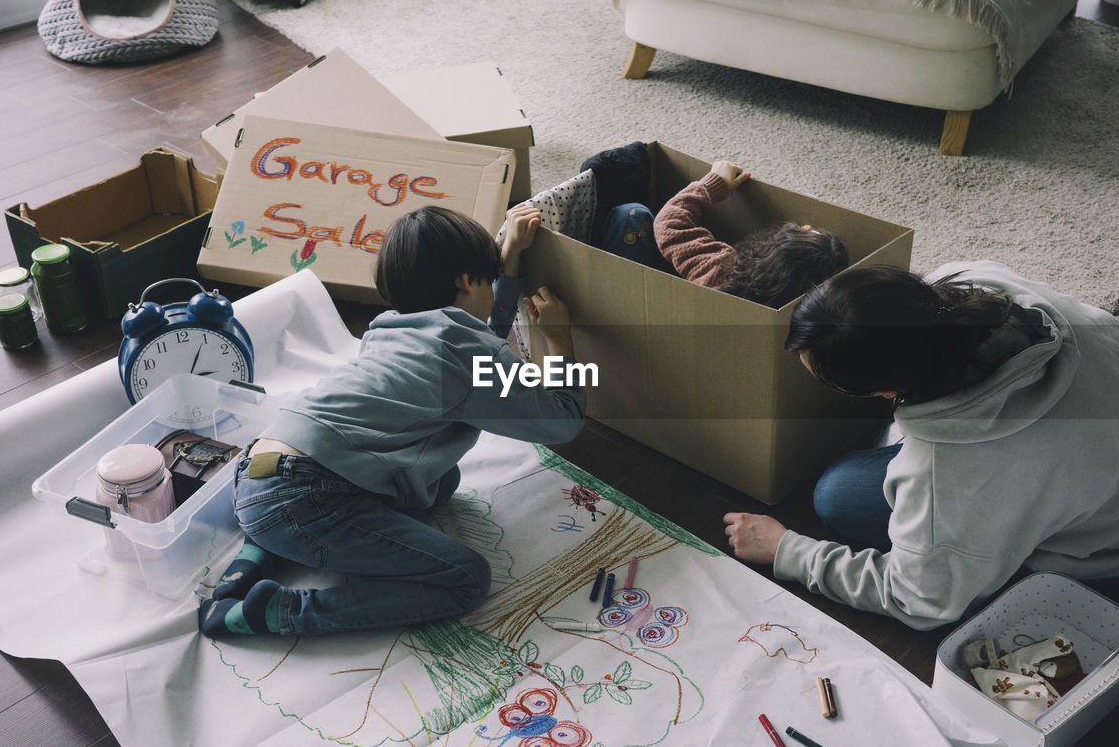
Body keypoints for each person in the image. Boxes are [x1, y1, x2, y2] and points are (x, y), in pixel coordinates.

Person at [723, 261, 1119, 630]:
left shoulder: (946, 472)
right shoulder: (979, 278)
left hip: (1116, 544)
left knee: (838, 492)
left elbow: (922, 600)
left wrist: (788, 550)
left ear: (886, 391)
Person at [199, 203, 587, 637]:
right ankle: (275, 611)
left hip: (260, 469)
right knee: (466, 580)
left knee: (441, 480)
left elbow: (480, 335)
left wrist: (509, 257)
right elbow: (562, 420)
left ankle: (262, 551)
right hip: (298, 498)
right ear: (465, 280)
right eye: (488, 278)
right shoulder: (463, 356)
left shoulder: (393, 328)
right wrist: (560, 337)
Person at [653, 160, 849, 308]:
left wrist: (713, 183)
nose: (805, 225)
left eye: (804, 231)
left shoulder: (721, 270)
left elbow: (669, 224)